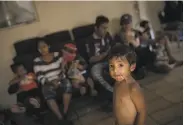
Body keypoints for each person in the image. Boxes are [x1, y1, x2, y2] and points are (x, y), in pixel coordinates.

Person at [33, 39, 72, 125]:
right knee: (47, 93)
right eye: (39, 48)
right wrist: (50, 82)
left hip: (60, 78)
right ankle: (60, 117)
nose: (42, 49)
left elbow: (63, 69)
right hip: (48, 82)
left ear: (48, 46)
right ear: (37, 50)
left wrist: (60, 77)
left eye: (44, 46)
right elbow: (39, 76)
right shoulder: (37, 61)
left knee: (67, 84)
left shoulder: (57, 55)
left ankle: (65, 112)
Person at [109, 44, 146, 125]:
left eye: (120, 65)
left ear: (132, 67)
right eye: (112, 66)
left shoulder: (133, 88)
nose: (115, 71)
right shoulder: (117, 83)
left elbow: (141, 112)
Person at [115, 14, 156, 79]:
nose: (126, 25)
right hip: (129, 55)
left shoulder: (135, 31)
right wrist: (128, 41)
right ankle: (138, 71)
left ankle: (145, 68)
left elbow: (141, 41)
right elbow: (121, 49)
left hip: (139, 51)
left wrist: (151, 39)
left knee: (150, 53)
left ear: (131, 23)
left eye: (128, 23)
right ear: (121, 25)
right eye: (124, 24)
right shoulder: (119, 35)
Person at [85, 15, 114, 94]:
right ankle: (112, 93)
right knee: (96, 74)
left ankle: (129, 87)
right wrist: (105, 54)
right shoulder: (89, 40)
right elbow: (91, 59)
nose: (105, 30)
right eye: (103, 28)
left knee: (121, 64)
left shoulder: (107, 35)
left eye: (106, 28)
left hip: (110, 60)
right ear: (96, 28)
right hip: (97, 64)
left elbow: (114, 47)